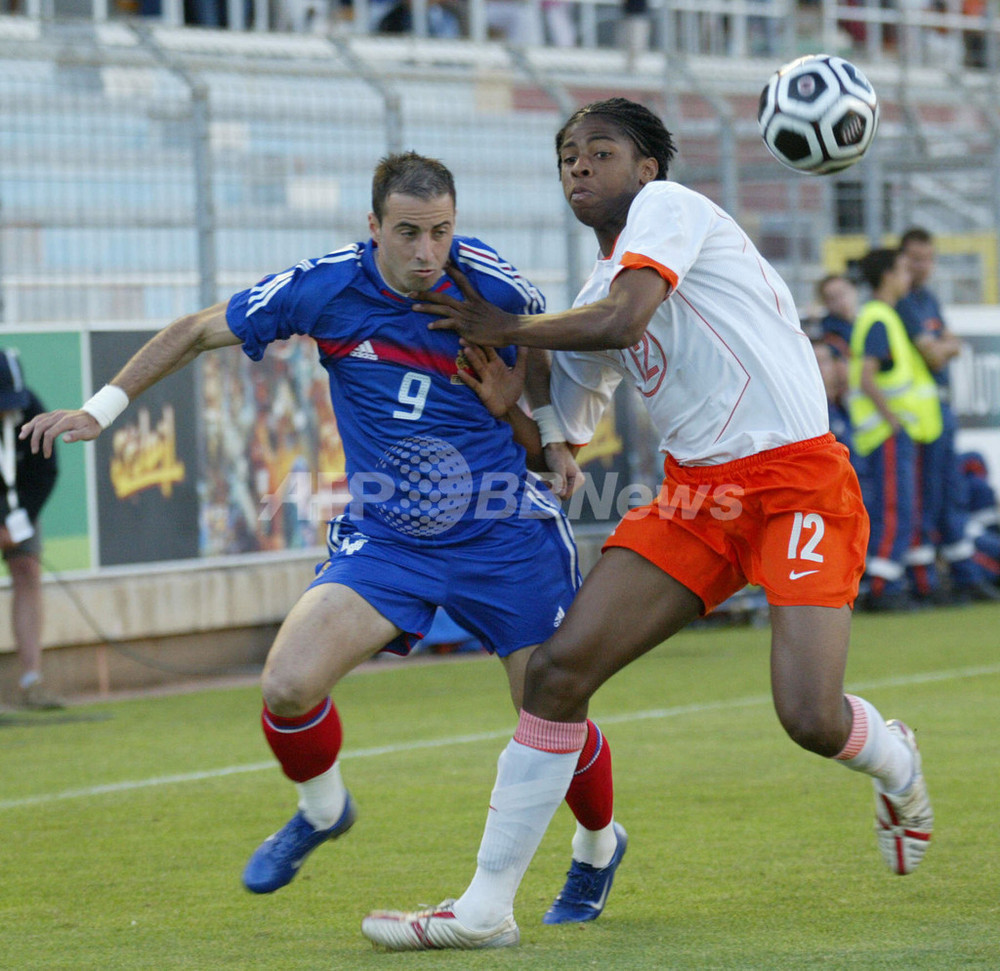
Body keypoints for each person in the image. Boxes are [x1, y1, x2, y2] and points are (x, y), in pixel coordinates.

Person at [360, 99, 934, 951]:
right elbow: (557, 454)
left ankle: (895, 760)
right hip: (699, 497)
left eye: (601, 151)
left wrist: (508, 326)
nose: (581, 166)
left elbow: (626, 319)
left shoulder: (673, 211)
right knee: (557, 675)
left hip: (796, 479)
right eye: (567, 157)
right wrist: (514, 406)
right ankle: (484, 909)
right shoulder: (591, 297)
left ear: (648, 170)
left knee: (810, 717)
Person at [22, 152, 627, 924]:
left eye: (440, 232)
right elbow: (198, 328)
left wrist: (549, 436)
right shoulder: (326, 287)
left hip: (505, 532)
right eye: (407, 232)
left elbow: (537, 355)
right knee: (287, 683)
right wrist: (98, 411)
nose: (425, 252)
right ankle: (321, 808)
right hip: (391, 538)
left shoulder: (492, 283)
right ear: (372, 227)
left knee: (550, 705)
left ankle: (599, 847)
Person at [896, 227, 1000, 604]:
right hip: (920, 416)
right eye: (914, 258)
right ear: (902, 259)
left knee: (949, 495)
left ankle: (963, 575)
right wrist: (945, 346)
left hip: (941, 409)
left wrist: (945, 345)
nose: (922, 266)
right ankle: (926, 582)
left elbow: (952, 344)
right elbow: (938, 353)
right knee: (925, 498)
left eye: (927, 258)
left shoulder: (928, 300)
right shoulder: (904, 304)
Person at [848, 247, 941, 611]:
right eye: (903, 270)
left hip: (897, 434)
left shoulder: (883, 316)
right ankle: (882, 587)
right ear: (887, 275)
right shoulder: (879, 317)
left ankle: (913, 582)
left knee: (907, 507)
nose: (908, 278)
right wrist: (892, 420)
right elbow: (867, 377)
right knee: (894, 509)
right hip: (886, 434)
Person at [0, 349, 62, 711]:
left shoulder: (31, 408)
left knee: (27, 572)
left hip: (19, 508)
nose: (9, 409)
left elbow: (45, 473)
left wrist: (17, 521)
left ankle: (31, 681)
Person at [816, 272, 858, 361]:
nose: (841, 301)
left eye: (843, 292)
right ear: (825, 304)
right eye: (833, 298)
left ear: (854, 289)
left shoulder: (866, 319)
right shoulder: (830, 333)